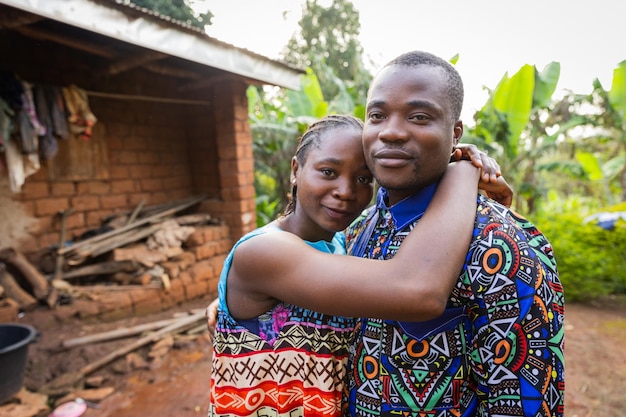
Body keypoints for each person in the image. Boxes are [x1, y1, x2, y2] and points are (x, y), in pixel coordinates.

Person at [208, 114, 512, 417]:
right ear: (295, 170)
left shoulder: (346, 242)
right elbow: (418, 292)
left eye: (363, 178)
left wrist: (446, 155)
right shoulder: (263, 251)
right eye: (328, 171)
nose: (346, 191)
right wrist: (461, 173)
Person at [342, 51, 565, 417]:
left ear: (455, 132)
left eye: (419, 117)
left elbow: (524, 401)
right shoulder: (356, 233)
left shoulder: (501, 244)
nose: (391, 131)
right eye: (377, 115)